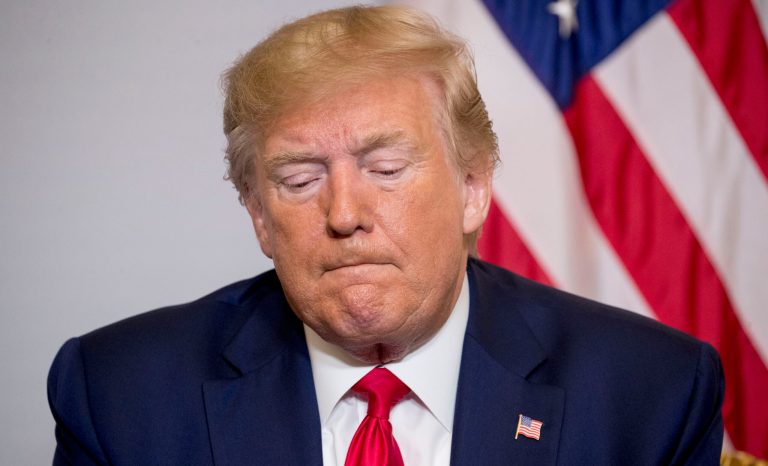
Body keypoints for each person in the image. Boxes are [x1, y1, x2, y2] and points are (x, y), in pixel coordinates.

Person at [47, 5, 724, 465]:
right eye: (300, 179)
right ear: (258, 214)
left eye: (386, 168)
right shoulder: (119, 395)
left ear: (473, 187)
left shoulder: (651, 394)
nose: (344, 214)